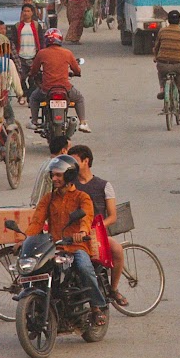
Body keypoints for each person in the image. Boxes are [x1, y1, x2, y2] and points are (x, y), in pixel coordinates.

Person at [24, 155, 107, 326]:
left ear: (69, 176)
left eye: (58, 175)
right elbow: (37, 221)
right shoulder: (48, 198)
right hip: (54, 247)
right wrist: (26, 239)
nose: (54, 178)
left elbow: (87, 216)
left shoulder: (81, 197)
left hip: (77, 246)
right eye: (53, 175)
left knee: (84, 267)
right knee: (31, 269)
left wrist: (82, 231)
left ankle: (96, 307)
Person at [67, 144, 127, 308]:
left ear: (86, 161)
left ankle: (113, 289)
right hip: (75, 233)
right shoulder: (69, 184)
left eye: (75, 161)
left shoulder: (104, 185)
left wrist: (96, 228)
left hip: (97, 234)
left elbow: (112, 216)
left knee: (117, 250)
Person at [29, 27, 88, 131]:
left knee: (34, 97)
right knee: (79, 99)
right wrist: (75, 73)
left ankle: (34, 121)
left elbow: (34, 71)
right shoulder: (67, 53)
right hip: (65, 88)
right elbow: (77, 70)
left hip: (47, 89)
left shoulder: (41, 53)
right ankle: (83, 123)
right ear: (60, 39)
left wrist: (32, 74)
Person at [151, 9, 180, 124]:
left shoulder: (162, 31)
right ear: (179, 20)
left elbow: (157, 47)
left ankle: (163, 88)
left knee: (160, 72)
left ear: (168, 20)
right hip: (177, 65)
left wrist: (156, 57)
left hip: (163, 64)